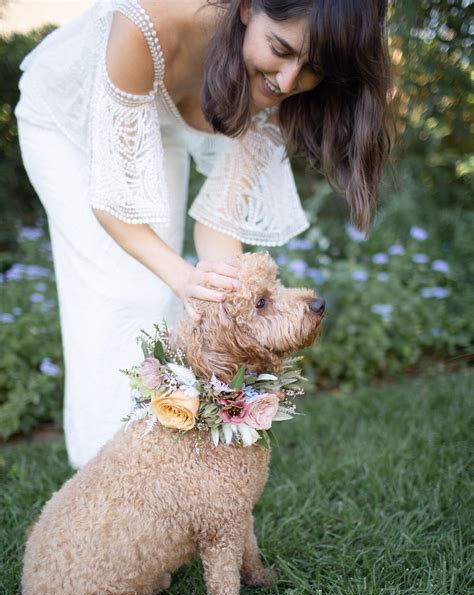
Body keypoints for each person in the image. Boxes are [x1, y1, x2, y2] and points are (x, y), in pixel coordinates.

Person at [15, 0, 393, 468]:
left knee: (184, 295)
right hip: (64, 118)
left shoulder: (277, 89)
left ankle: (170, 456)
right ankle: (103, 473)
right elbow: (114, 205)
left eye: (312, 68)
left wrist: (226, 297)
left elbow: (219, 225)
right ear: (248, 9)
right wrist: (181, 277)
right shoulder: (147, 24)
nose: (288, 81)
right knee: (126, 291)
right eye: (280, 48)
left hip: (160, 122)